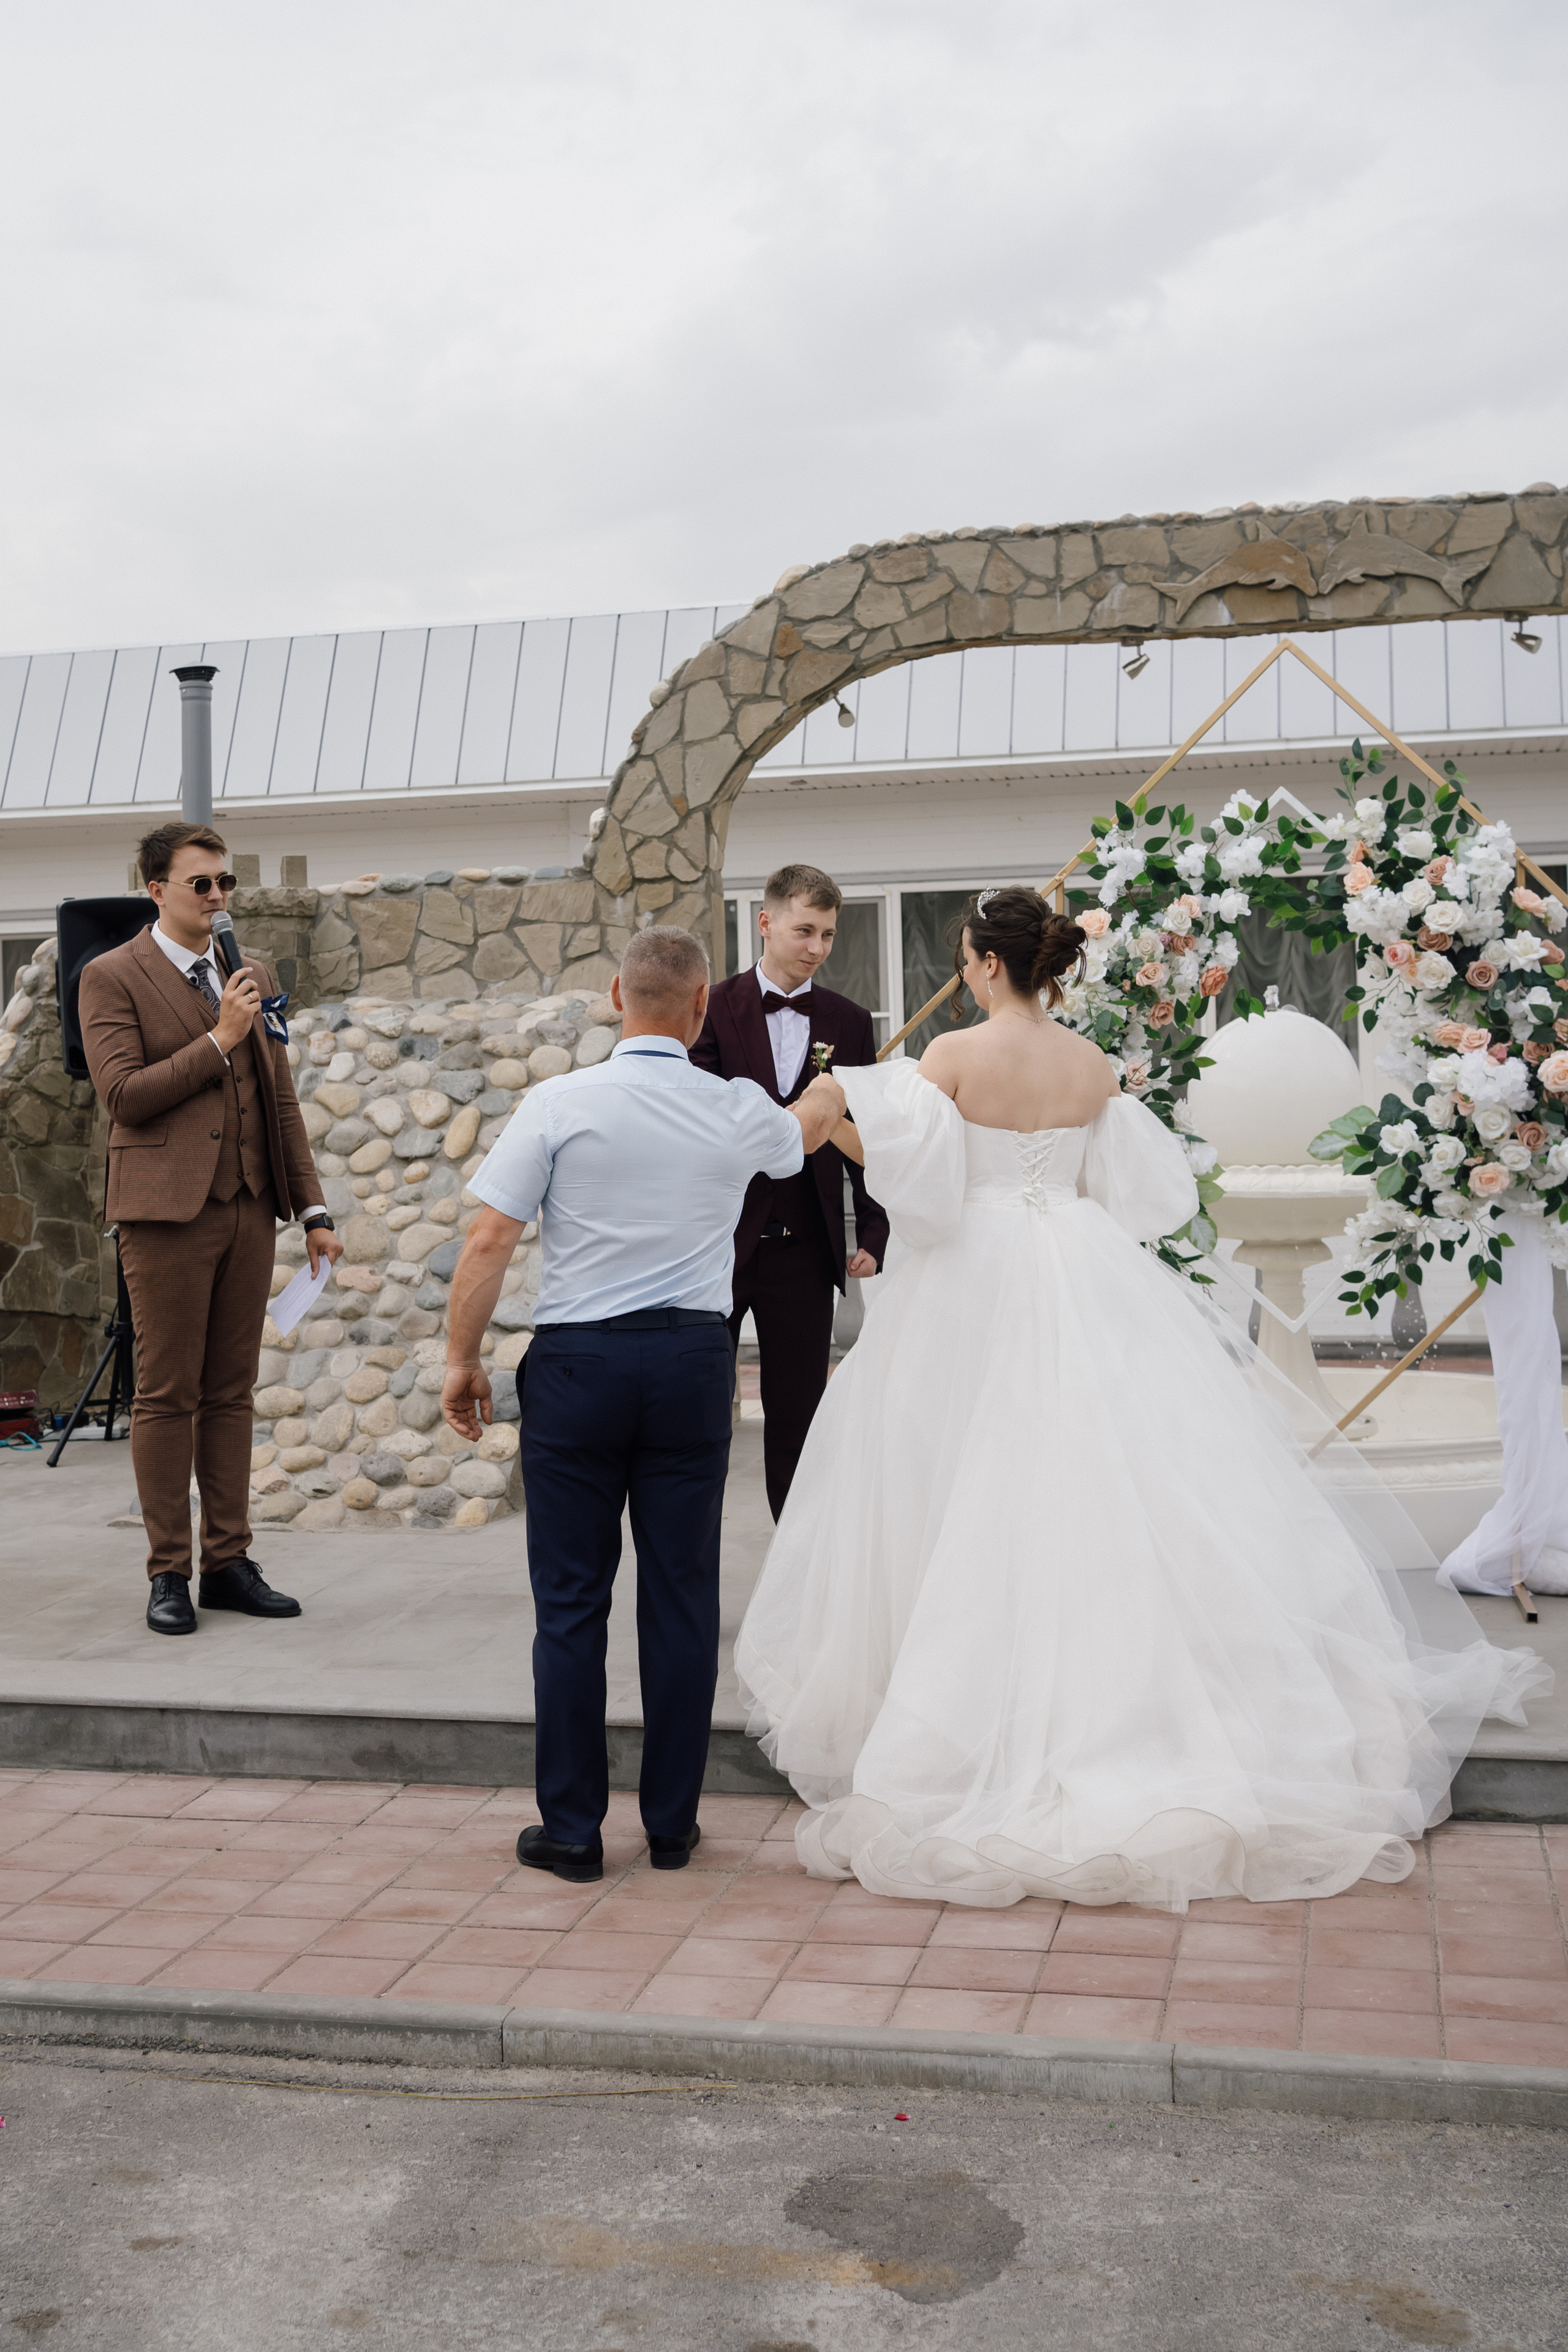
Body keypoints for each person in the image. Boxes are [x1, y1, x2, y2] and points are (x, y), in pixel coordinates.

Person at [735, 885, 1549, 1912]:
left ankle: (964, 1708)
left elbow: (925, 1190)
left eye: (968, 960)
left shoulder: (952, 1056)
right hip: (1082, 1263)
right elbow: (1138, 1198)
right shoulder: (1090, 1064)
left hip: (976, 1272)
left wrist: (843, 1126)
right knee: (1113, 1475)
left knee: (959, 1476)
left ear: (987, 964)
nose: (968, 973)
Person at [441, 924, 848, 1885]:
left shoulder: (559, 1102)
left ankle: (572, 1831)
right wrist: (830, 1091)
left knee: (569, 1605)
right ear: (703, 1005)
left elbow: (491, 1238)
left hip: (577, 1369)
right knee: (681, 1600)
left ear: (617, 998)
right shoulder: (735, 1106)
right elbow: (801, 1137)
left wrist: (461, 1359)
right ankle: (670, 1825)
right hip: (689, 1366)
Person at [78, 821, 342, 1636]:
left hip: (248, 1206)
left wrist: (314, 1210)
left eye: (225, 882)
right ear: (156, 889)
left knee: (231, 1391)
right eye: (202, 883)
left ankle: (229, 1562)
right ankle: (169, 1571)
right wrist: (220, 1037)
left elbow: (280, 1099)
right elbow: (125, 1096)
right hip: (164, 1212)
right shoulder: (109, 976)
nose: (218, 896)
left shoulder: (247, 972)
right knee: (167, 1394)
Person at [690, 862, 889, 1519]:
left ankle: (796, 1574)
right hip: (717, 1245)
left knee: (799, 1427)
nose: (817, 948)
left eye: (828, 935)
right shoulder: (710, 1008)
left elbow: (863, 1130)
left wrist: (875, 1230)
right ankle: (693, 1577)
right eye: (805, 931)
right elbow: (699, 1122)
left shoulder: (849, 1021)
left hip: (806, 1251)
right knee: (699, 1424)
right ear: (765, 922)